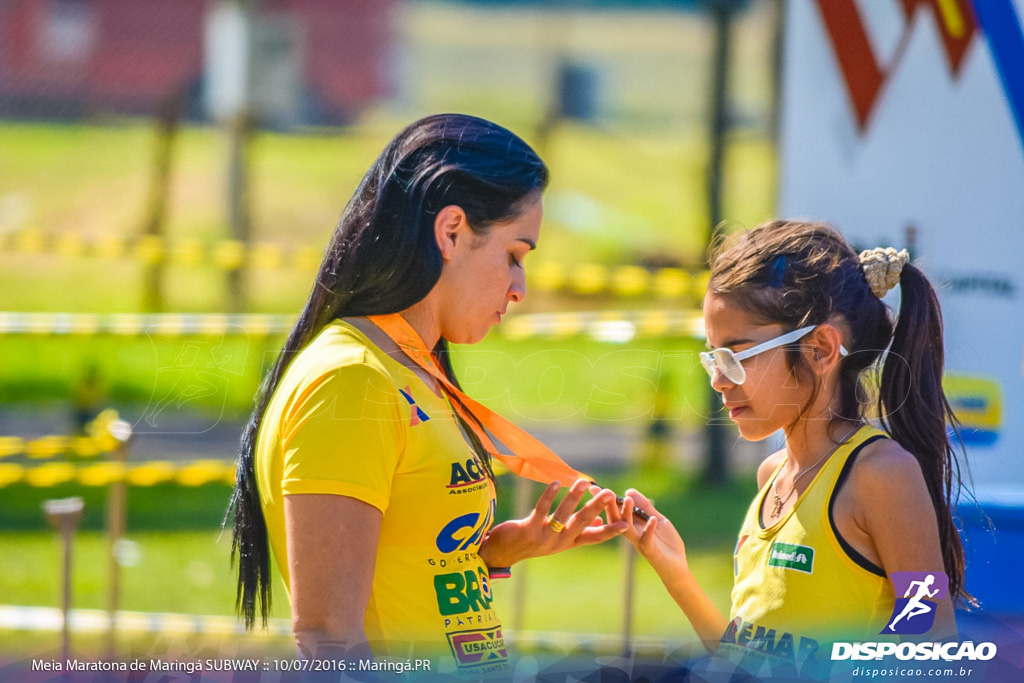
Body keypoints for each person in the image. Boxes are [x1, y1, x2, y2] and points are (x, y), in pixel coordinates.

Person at [226, 114, 627, 675]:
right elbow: (326, 636)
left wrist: (493, 551)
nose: (520, 289)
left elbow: (405, 570)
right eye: (515, 254)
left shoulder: (408, 368)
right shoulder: (351, 380)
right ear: (452, 231)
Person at [612, 221, 971, 680]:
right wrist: (675, 572)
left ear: (820, 349)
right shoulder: (771, 475)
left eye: (736, 357)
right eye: (713, 357)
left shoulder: (882, 474)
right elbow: (746, 662)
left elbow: (930, 644)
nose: (719, 381)